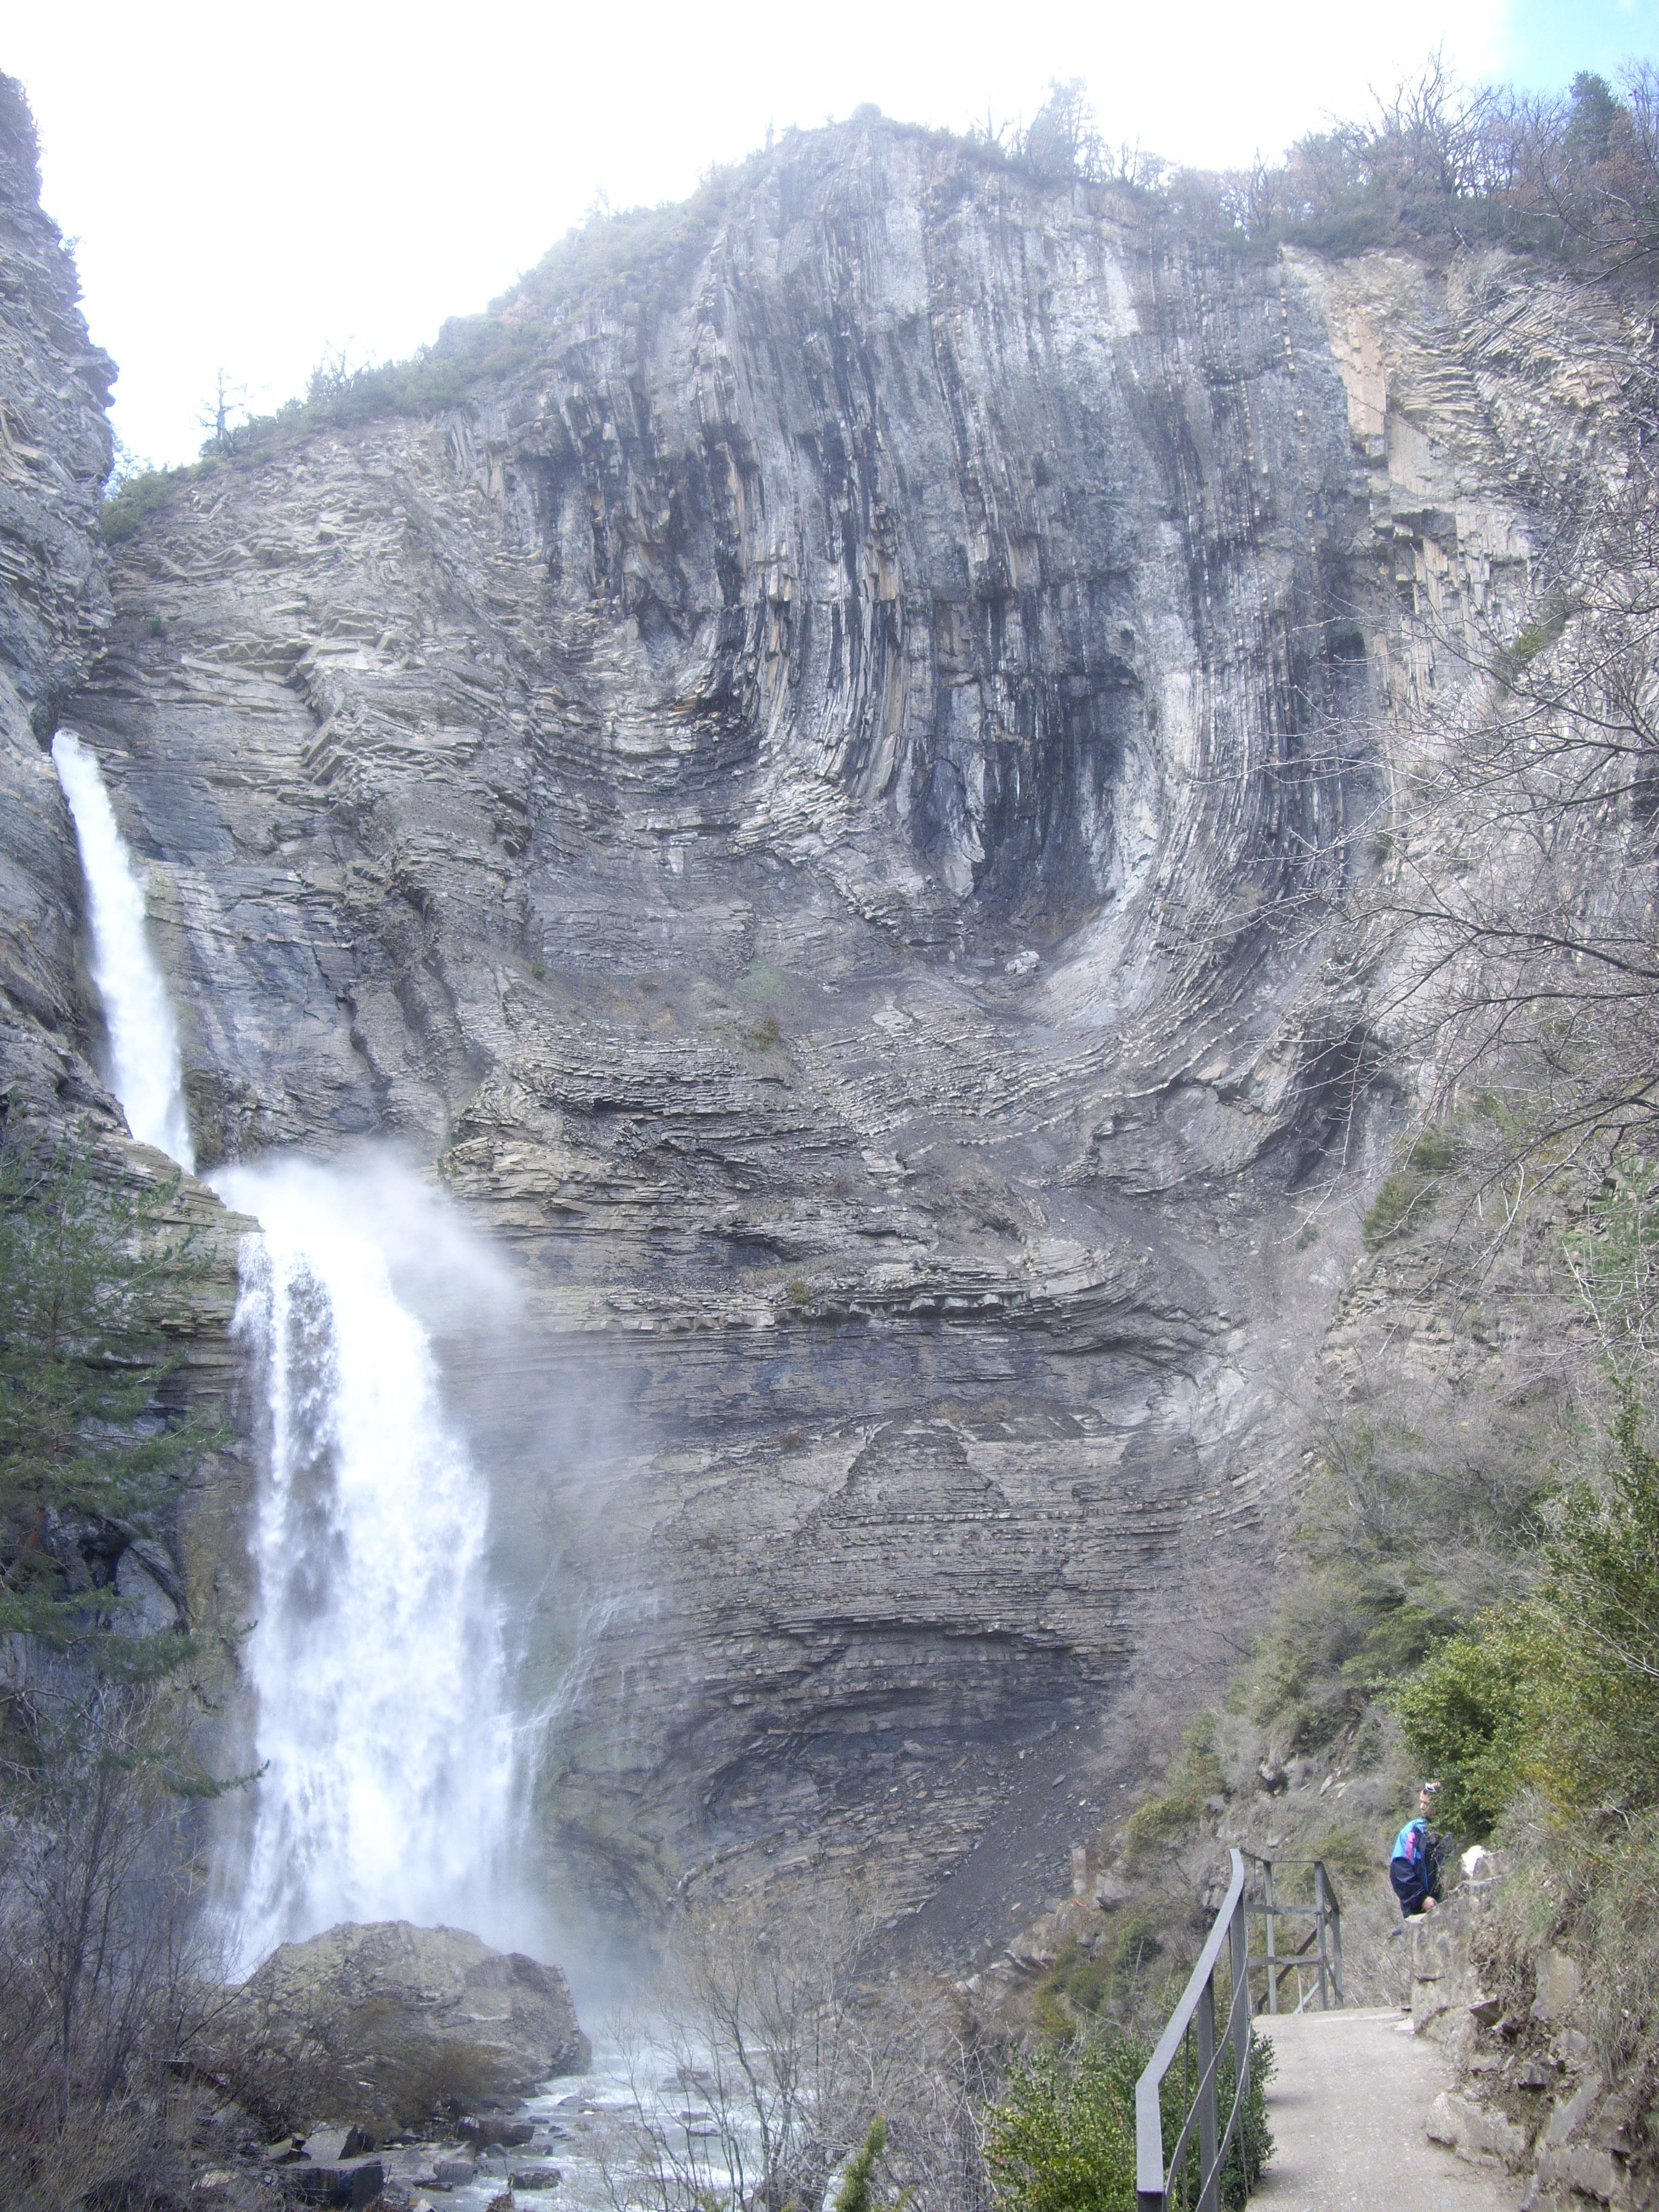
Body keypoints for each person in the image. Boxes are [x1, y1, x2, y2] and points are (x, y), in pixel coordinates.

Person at [1390, 1781, 1444, 1918]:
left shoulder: (1452, 1830)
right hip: (1419, 1911)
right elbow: (1400, 1870)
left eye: (1426, 1804)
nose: (1421, 1807)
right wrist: (1421, 1898)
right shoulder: (1412, 1833)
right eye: (1421, 1802)